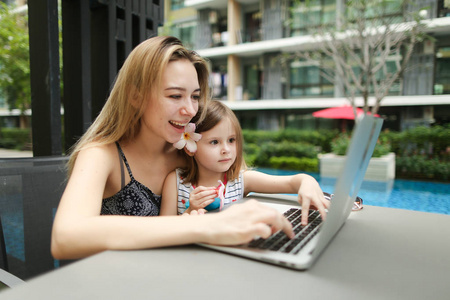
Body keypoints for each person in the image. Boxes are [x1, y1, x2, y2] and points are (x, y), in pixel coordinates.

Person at [51, 36, 293, 260]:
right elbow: (65, 237)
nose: (190, 110)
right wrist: (207, 227)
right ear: (135, 97)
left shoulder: (187, 152)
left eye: (195, 96)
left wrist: (298, 183)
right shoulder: (101, 154)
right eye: (175, 96)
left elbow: (236, 180)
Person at [160, 100, 329, 225]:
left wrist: (307, 181)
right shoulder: (176, 182)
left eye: (231, 140)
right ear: (190, 147)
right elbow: (162, 230)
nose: (226, 149)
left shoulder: (240, 181)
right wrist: (190, 210)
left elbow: (292, 183)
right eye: (214, 142)